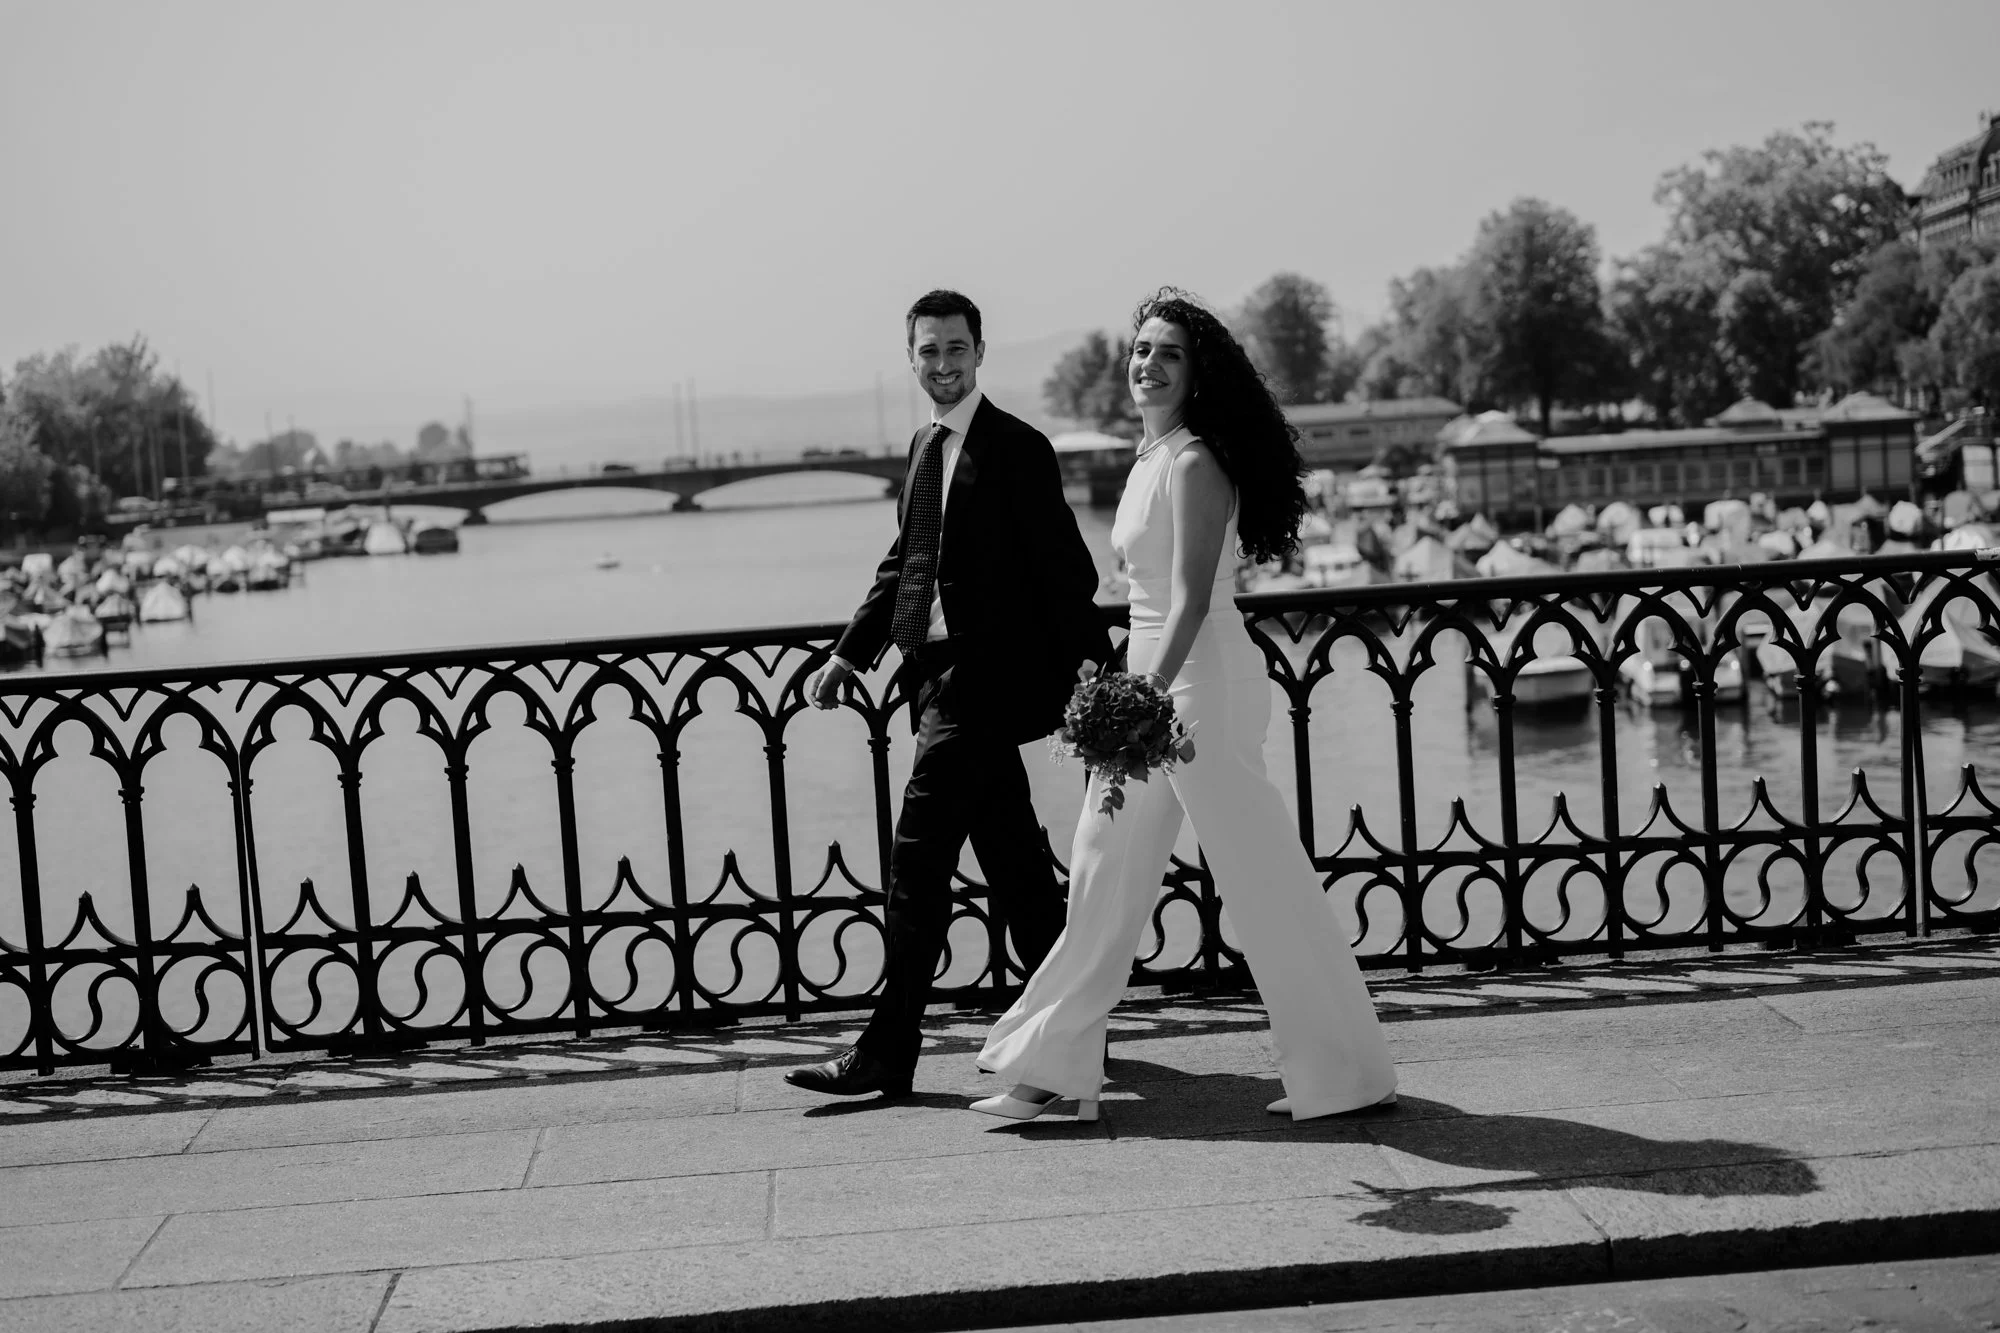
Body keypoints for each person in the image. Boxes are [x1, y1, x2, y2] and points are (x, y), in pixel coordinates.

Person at [972, 288, 1398, 1123]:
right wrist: (1128, 691)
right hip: (1152, 687)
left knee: (1260, 879)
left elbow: (1194, 600)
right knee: (1100, 871)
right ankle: (1056, 1071)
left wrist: (1139, 696)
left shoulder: (1195, 462)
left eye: (1170, 353)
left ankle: (1346, 1072)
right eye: (1142, 350)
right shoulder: (1150, 458)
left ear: (1196, 373)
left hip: (1200, 690)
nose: (1150, 364)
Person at [786, 289, 1112, 1100]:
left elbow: (1067, 570)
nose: (943, 363)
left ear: (980, 351)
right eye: (928, 350)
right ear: (912, 358)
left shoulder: (1018, 447)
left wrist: (1098, 675)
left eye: (955, 348)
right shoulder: (922, 446)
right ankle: (1073, 1028)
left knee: (917, 861)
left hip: (983, 685)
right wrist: (849, 654)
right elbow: (907, 562)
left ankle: (888, 1049)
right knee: (1016, 866)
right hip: (932, 681)